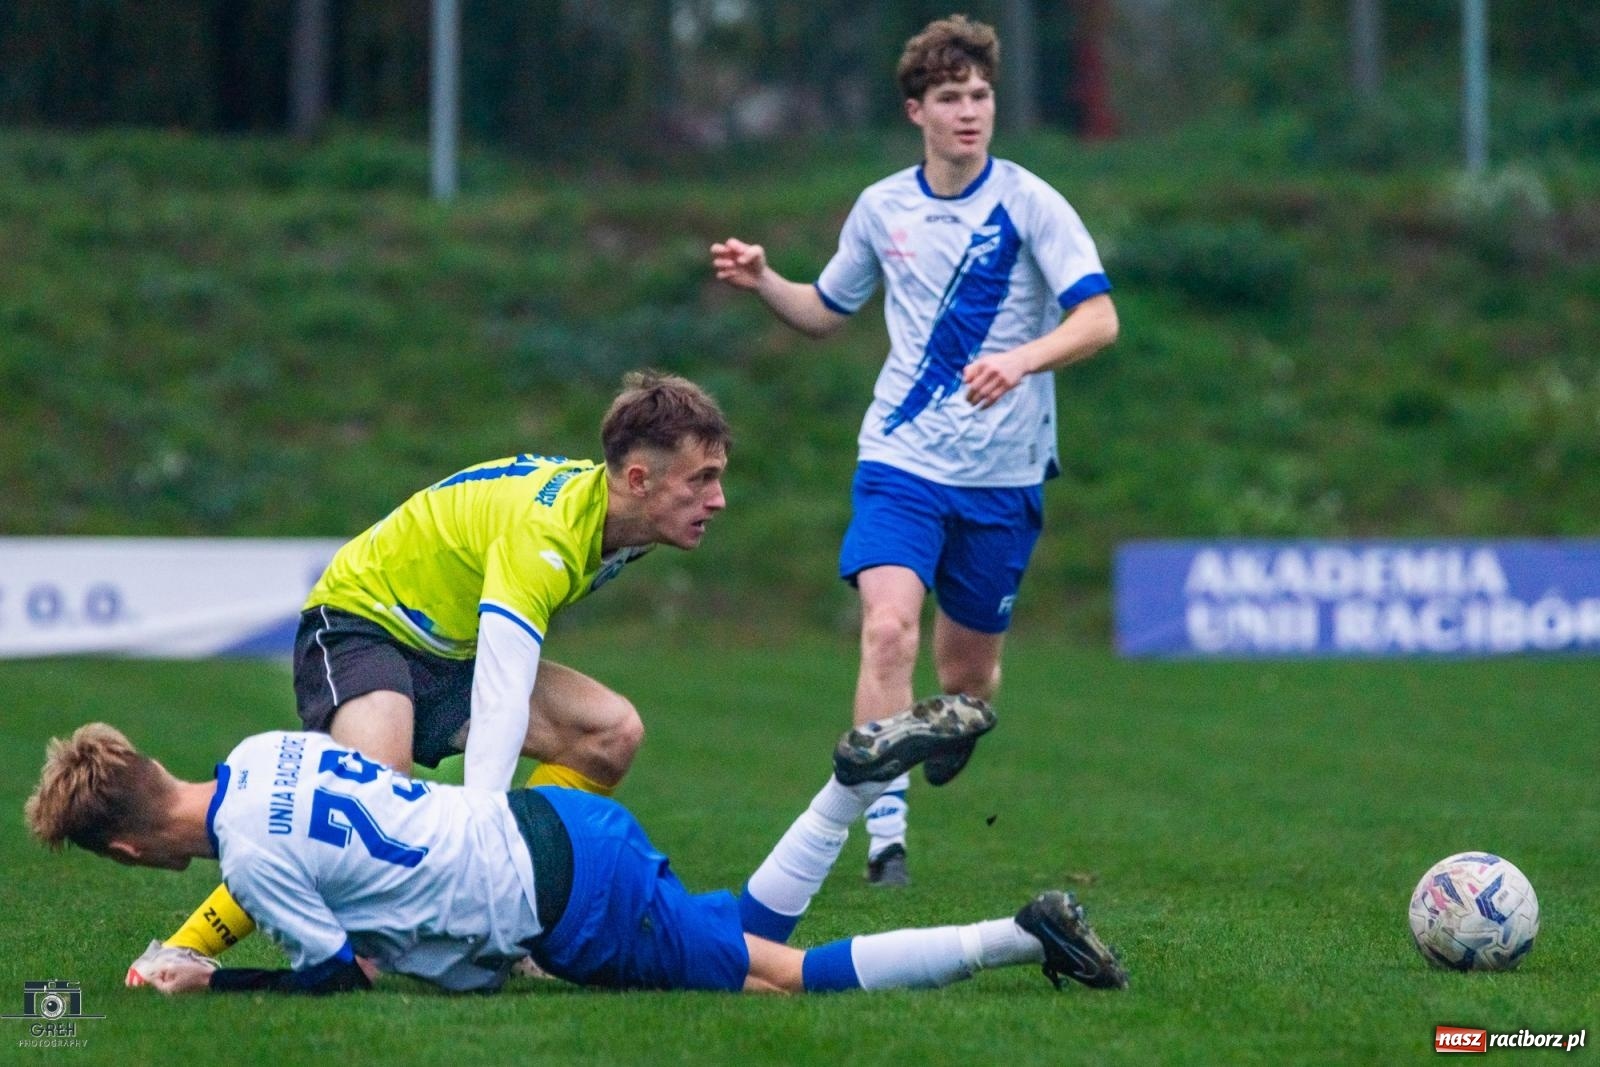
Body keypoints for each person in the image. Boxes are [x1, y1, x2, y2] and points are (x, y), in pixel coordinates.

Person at [130, 369, 732, 981]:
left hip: (447, 648)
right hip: (363, 623)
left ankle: (519, 914)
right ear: (637, 479)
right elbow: (501, 696)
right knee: (374, 803)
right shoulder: (544, 537)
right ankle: (185, 947)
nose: (718, 499)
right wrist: (480, 851)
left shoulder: (630, 521)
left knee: (610, 732)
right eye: (701, 480)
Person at [710, 15, 1119, 886]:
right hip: (900, 460)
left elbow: (1099, 319)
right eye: (949, 97)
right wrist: (763, 282)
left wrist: (1020, 359)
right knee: (889, 630)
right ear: (915, 111)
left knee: (969, 677)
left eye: (980, 95)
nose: (969, 111)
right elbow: (825, 310)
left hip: (1004, 477)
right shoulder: (881, 207)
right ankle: (883, 832)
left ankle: (957, 722)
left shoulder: (1031, 202)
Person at [26, 697, 1128, 996]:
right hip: (551, 821)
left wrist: (207, 980)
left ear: (124, 851)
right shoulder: (264, 747)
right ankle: (845, 790)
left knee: (775, 976)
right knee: (735, 934)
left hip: (560, 899)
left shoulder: (249, 861)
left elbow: (328, 980)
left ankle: (1021, 936)